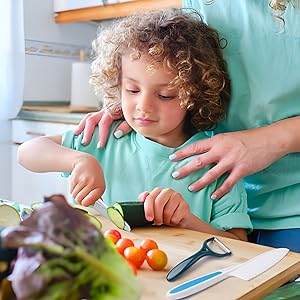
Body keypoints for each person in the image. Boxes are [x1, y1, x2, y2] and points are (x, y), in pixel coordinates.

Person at [74, 1, 300, 252]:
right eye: (132, 89)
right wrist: (125, 100)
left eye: (166, 95)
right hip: (225, 188)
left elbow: (235, 245)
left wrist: (271, 140)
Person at [18, 8, 252, 241]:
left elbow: (240, 244)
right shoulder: (104, 138)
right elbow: (27, 152)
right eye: (132, 90)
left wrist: (186, 221)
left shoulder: (215, 162)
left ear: (194, 95)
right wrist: (78, 160)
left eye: (165, 95)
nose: (144, 106)